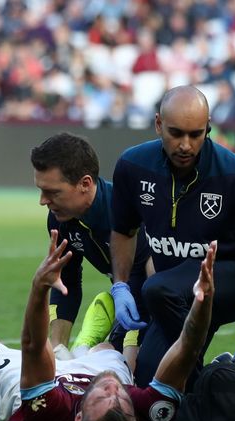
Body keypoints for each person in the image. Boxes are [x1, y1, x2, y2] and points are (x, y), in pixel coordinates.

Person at [0, 230, 217, 421]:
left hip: (32, 387)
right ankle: (86, 345)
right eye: (122, 400)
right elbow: (188, 349)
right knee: (107, 352)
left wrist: (40, 288)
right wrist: (202, 302)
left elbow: (34, 346)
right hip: (87, 376)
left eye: (103, 398)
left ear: (78, 418)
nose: (114, 390)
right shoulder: (146, 414)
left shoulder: (50, 413)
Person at [109, 85, 235, 387]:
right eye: (176, 133)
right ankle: (212, 379)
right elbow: (122, 231)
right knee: (151, 385)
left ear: (207, 128)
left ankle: (200, 387)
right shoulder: (133, 166)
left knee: (156, 289)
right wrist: (120, 285)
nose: (186, 145)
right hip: (179, 292)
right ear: (158, 124)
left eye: (196, 134)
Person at [30, 132, 153, 367]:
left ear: (85, 184)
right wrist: (57, 351)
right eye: (41, 190)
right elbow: (66, 281)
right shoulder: (58, 219)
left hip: (165, 305)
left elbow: (148, 289)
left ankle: (86, 342)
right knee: (85, 364)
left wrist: (131, 355)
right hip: (131, 295)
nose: (43, 201)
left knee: (122, 371)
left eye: (53, 192)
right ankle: (81, 345)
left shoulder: (125, 212)